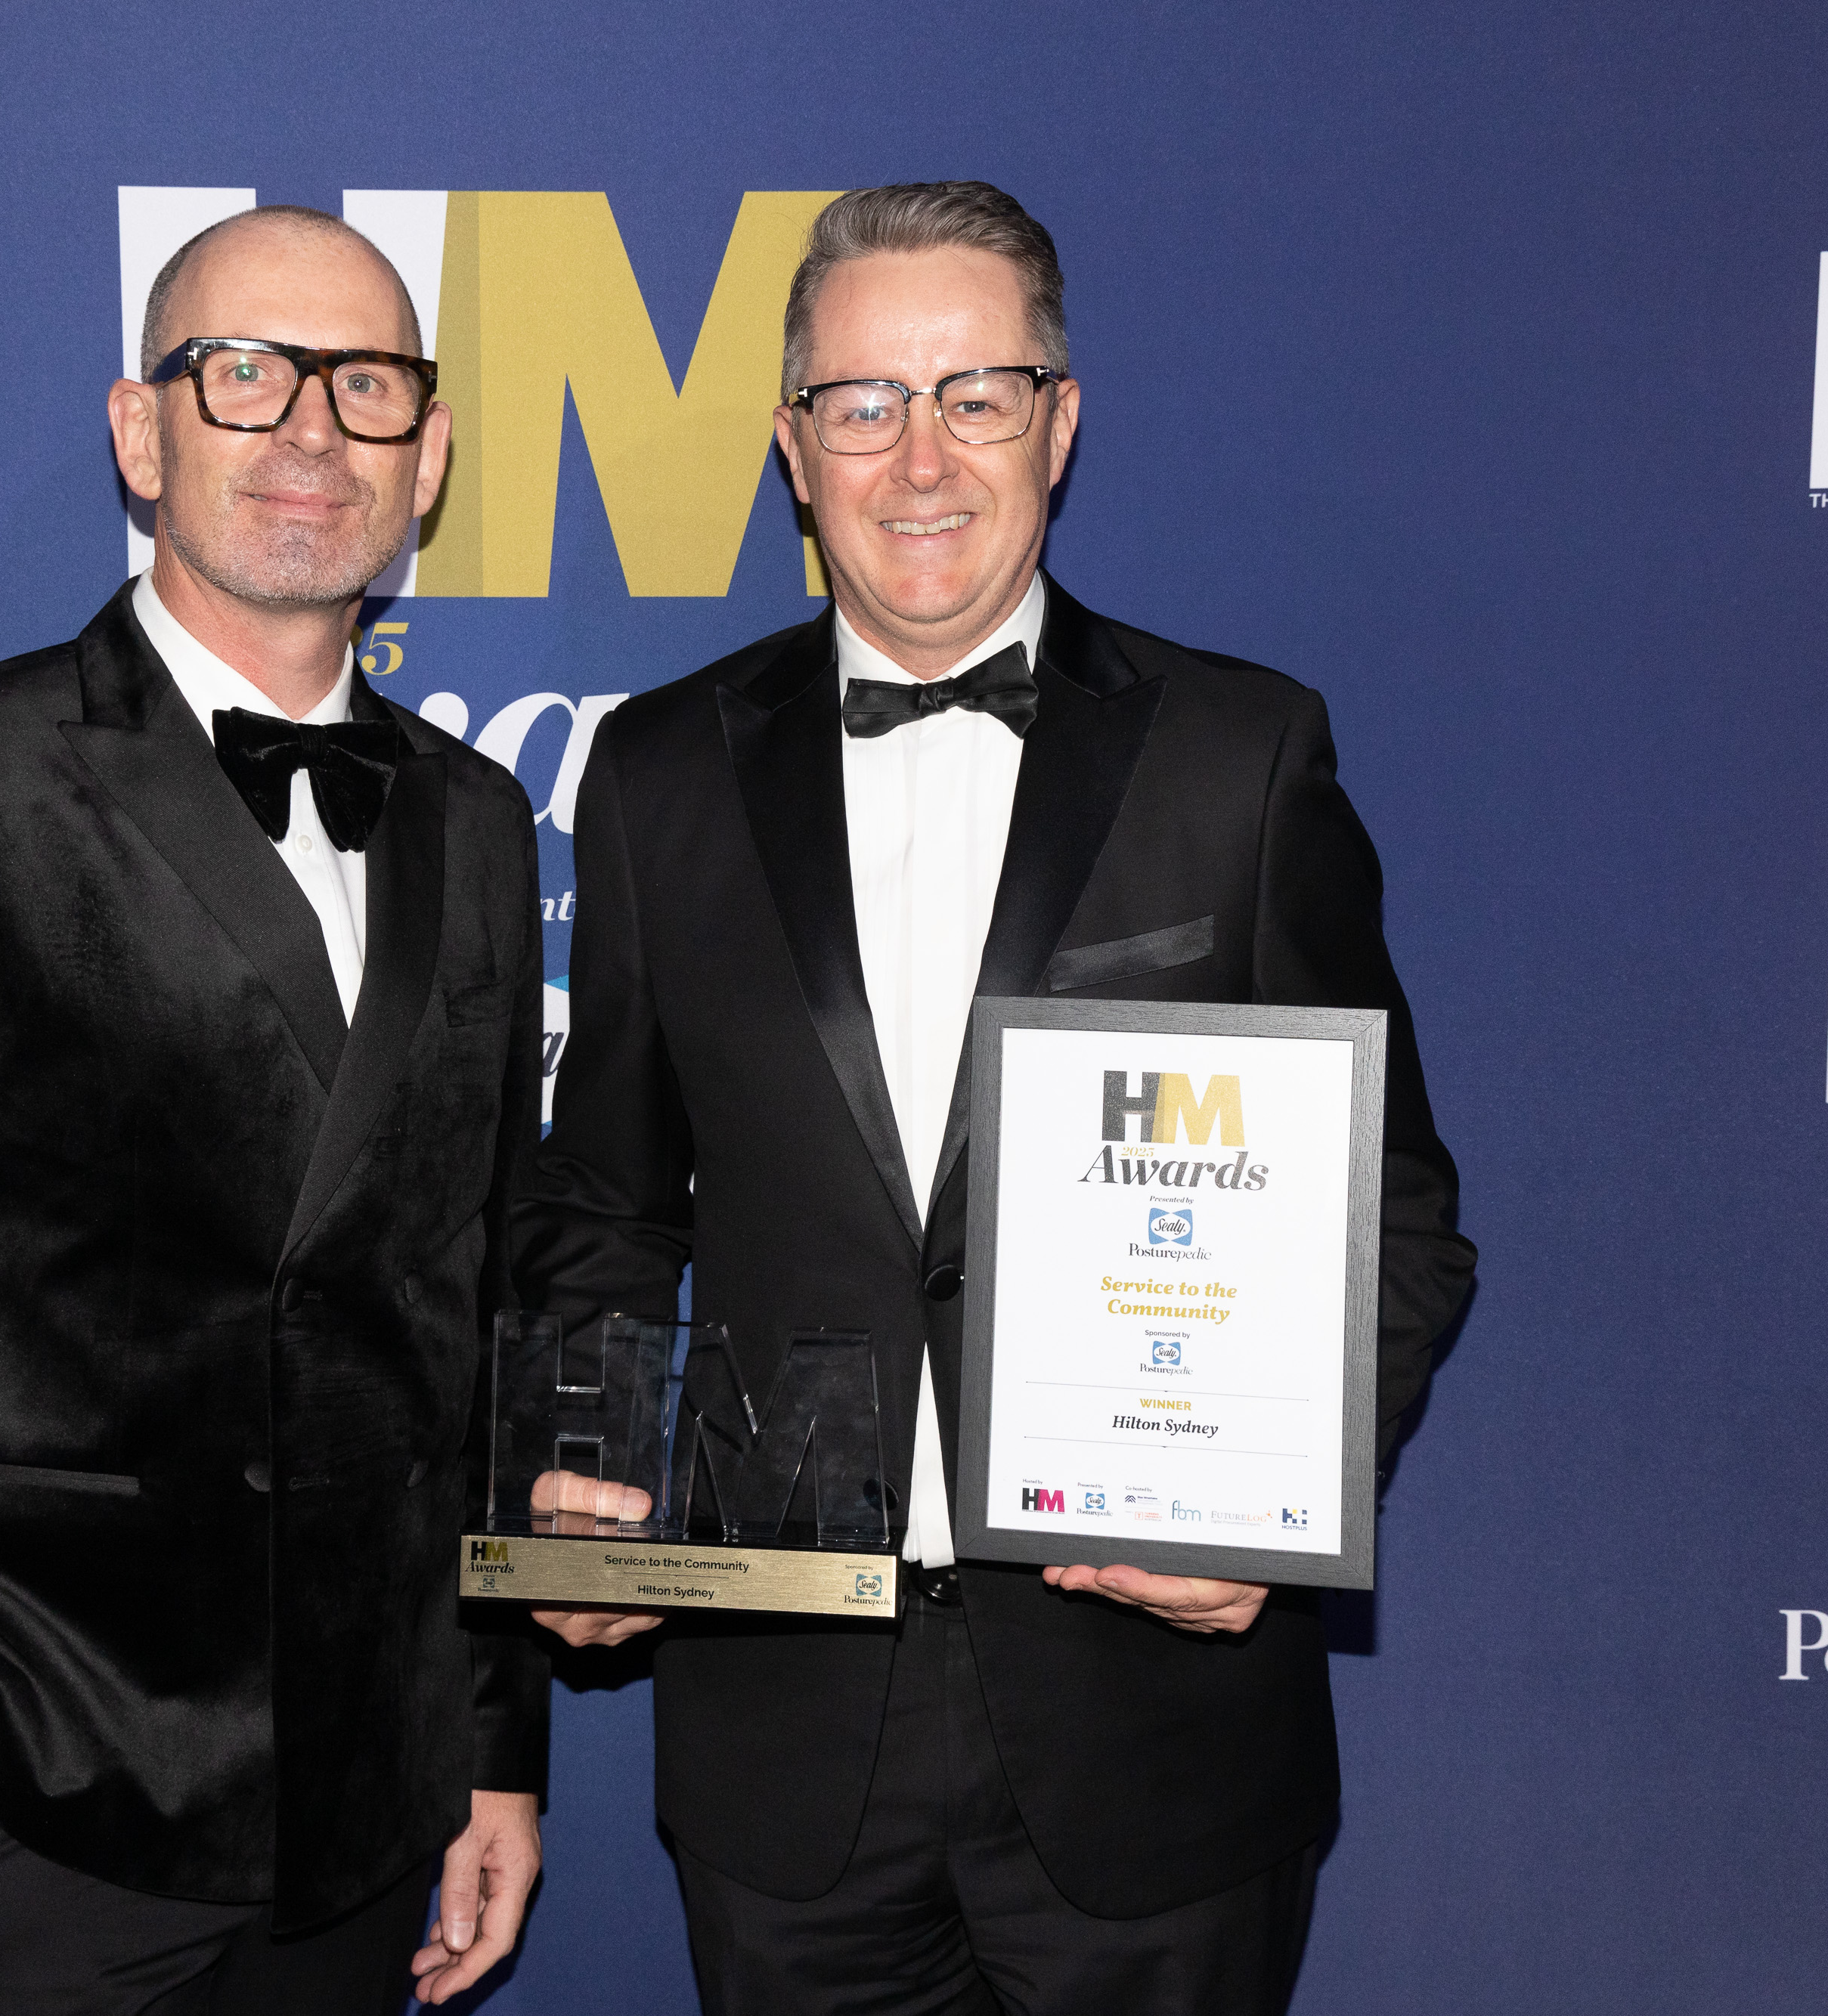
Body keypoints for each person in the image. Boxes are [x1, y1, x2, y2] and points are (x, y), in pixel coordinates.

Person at [514, 181, 1475, 2014]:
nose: (918, 458)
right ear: (791, 446)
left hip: (1155, 1731)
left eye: (974, 393)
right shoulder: (655, 770)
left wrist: (1280, 1503)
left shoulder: (1237, 751)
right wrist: (590, 1461)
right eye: (862, 402)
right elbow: (609, 1208)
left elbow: (1396, 1220)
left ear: (1059, 418)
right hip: (785, 1736)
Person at [0, 204, 547, 2015]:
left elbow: (462, 1321)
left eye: (366, 385)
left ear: (428, 456)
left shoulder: (477, 820)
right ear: (140, 433)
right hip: (51, 1818)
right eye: (244, 375)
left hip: (363, 1826)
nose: (309, 426)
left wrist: (487, 1735)